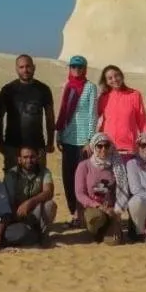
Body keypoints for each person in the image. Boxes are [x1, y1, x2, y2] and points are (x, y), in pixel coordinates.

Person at [54, 54, 98, 227]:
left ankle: (83, 214)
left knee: (82, 180)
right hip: (68, 139)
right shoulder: (67, 86)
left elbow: (92, 114)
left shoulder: (90, 87)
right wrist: (59, 134)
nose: (77, 70)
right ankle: (74, 214)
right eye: (73, 66)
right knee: (68, 178)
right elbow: (63, 111)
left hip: (83, 142)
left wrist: (90, 140)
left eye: (80, 67)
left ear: (85, 69)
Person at [0, 54, 55, 172]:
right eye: (21, 67)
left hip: (37, 145)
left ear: (34, 67)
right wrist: (1, 142)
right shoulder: (8, 90)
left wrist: (50, 142)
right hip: (13, 146)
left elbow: (50, 117)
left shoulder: (43, 89)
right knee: (12, 184)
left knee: (38, 182)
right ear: (16, 69)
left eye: (28, 66)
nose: (25, 70)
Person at [73, 132, 126, 245]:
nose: (103, 149)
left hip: (112, 210)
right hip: (93, 208)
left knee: (114, 242)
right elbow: (80, 194)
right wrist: (99, 206)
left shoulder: (116, 165)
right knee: (96, 217)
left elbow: (122, 190)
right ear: (93, 147)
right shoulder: (84, 166)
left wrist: (116, 212)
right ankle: (98, 231)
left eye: (106, 146)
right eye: (99, 146)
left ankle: (109, 227)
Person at [4, 145, 58, 246]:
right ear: (19, 159)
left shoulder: (44, 172)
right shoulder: (11, 174)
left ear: (37, 157)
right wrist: (18, 213)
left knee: (50, 205)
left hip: (35, 210)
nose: (29, 160)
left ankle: (42, 234)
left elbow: (49, 192)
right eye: (25, 157)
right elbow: (8, 199)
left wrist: (30, 202)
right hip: (16, 212)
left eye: (32, 157)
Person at [97, 65, 146, 160]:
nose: (114, 79)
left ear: (121, 76)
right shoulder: (103, 97)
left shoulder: (134, 95)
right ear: (106, 81)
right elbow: (94, 117)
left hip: (129, 147)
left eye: (116, 75)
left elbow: (142, 121)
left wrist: (145, 141)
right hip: (107, 147)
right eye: (110, 78)